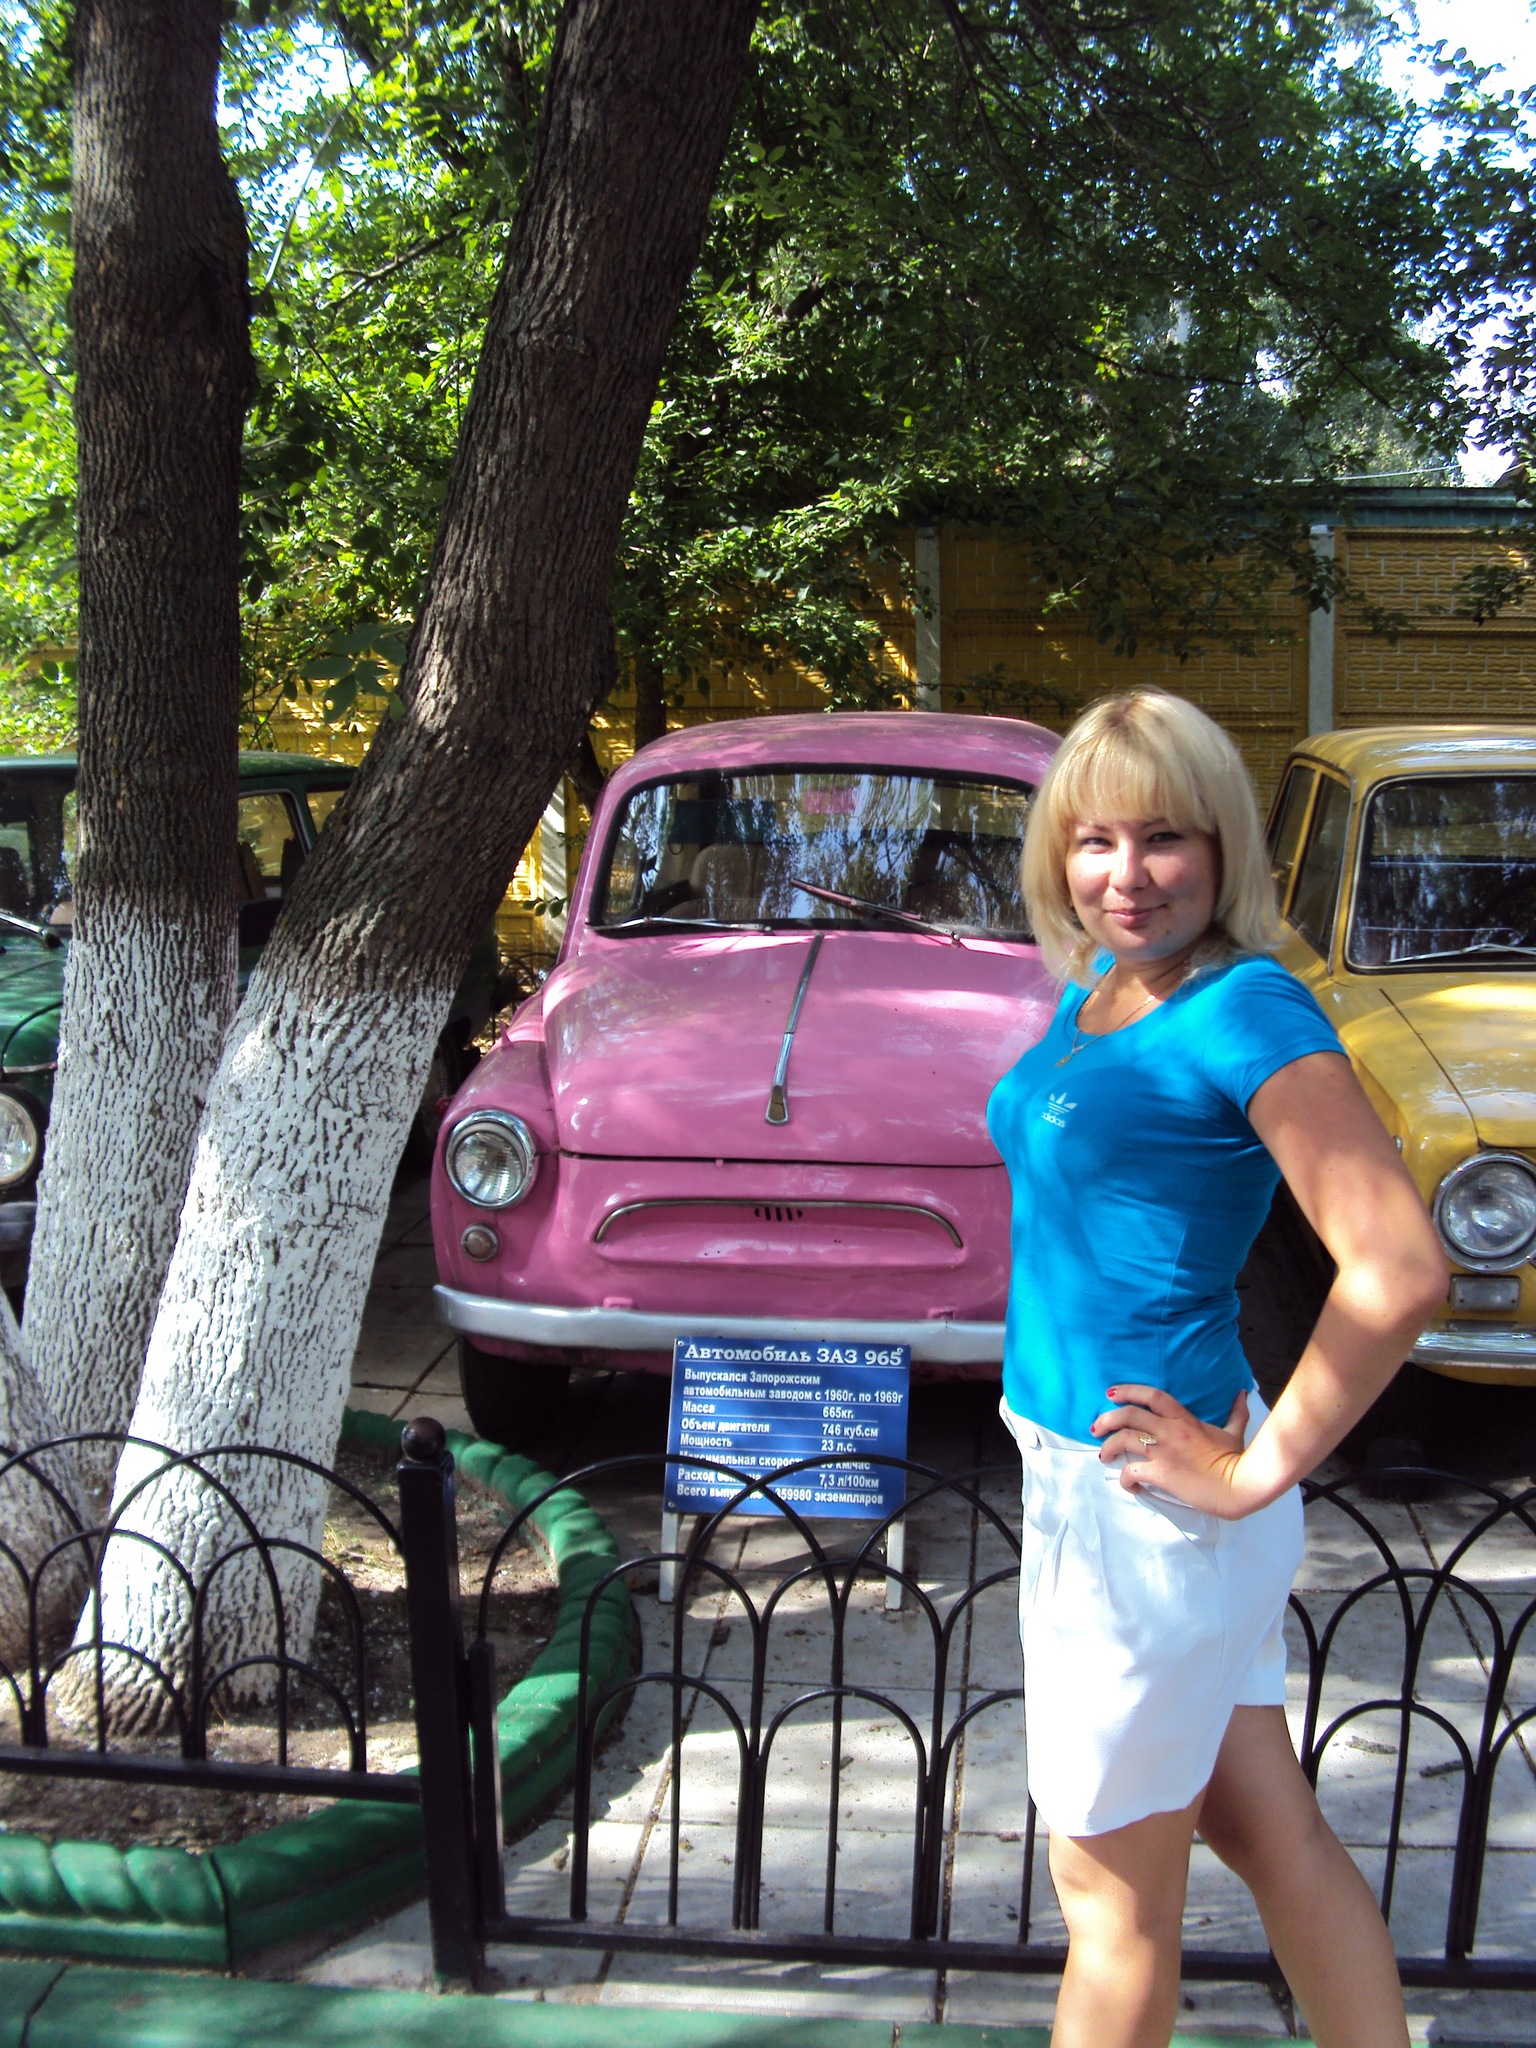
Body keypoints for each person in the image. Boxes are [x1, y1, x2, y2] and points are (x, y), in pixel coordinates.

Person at [986, 688, 1447, 2048]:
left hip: (1143, 1513)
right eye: (1096, 840)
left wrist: (1251, 1474)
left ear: (1224, 846)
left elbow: (1400, 1269)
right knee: (1266, 1827)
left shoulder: (1245, 1006)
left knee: (1110, 1903)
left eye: (1164, 838)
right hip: (1110, 1492)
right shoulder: (1102, 987)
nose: (1126, 874)